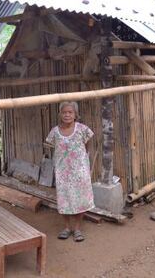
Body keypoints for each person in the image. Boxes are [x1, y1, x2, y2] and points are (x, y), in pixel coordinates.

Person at [45, 101, 95, 242]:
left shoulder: (82, 129)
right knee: (64, 199)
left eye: (70, 112)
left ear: (75, 114)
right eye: (64, 112)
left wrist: (84, 159)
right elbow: (51, 145)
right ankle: (67, 227)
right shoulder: (55, 132)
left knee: (80, 199)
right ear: (60, 114)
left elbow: (88, 144)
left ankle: (77, 228)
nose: (67, 115)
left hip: (80, 171)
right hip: (63, 172)